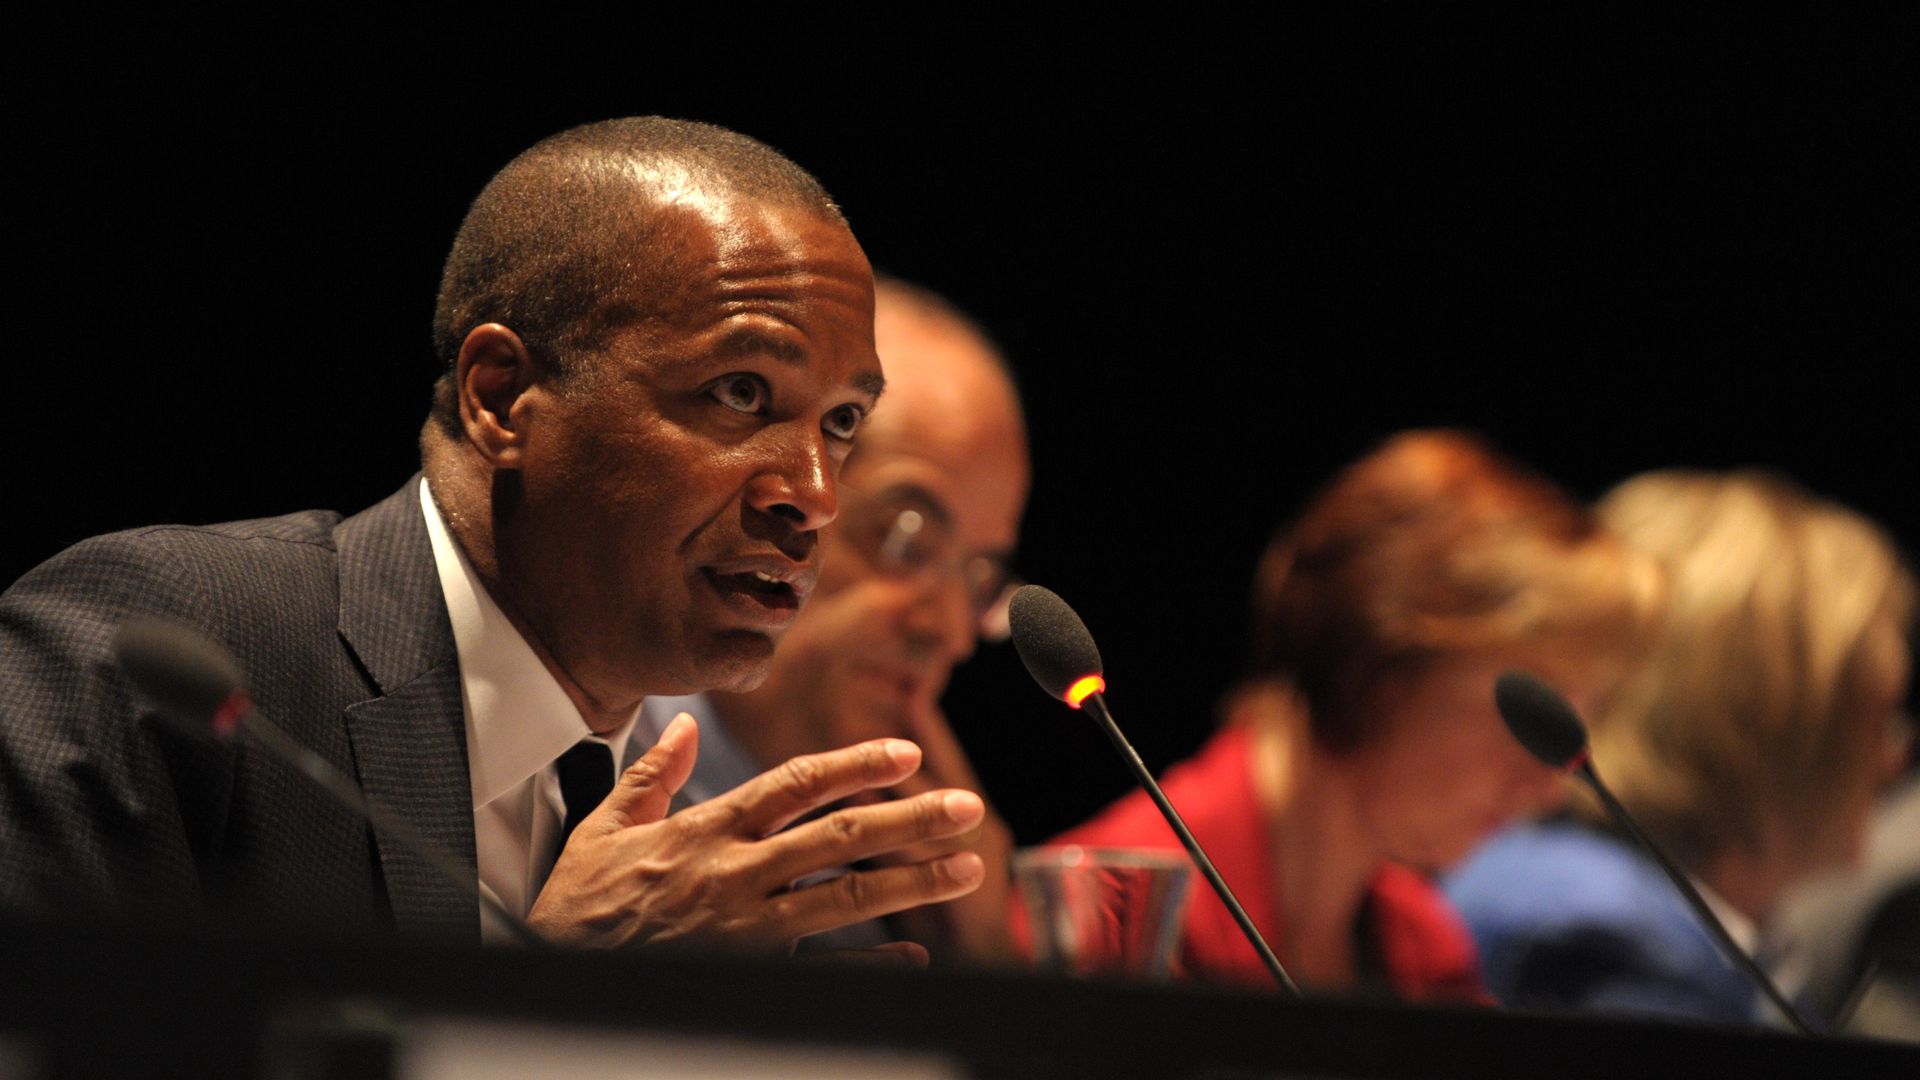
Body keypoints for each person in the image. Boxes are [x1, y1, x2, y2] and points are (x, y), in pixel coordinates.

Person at [0, 117, 989, 958]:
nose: (814, 495)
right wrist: (553, 1003)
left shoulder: (708, 863)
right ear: (502, 397)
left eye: (842, 422)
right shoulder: (180, 660)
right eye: (740, 392)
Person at [1046, 431, 1658, 999]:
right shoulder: (1111, 918)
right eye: (1527, 716)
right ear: (1380, 661)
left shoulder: (1425, 946)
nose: (1549, 788)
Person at [639, 276, 1029, 965]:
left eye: (978, 577)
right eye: (906, 537)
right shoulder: (592, 774)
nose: (949, 629)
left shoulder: (904, 891)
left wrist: (984, 966)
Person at [1445, 470, 1915, 1026]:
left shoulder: (1687, 925)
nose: (1894, 759)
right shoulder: (1602, 936)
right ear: (1765, 730)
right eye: (1876, 720)